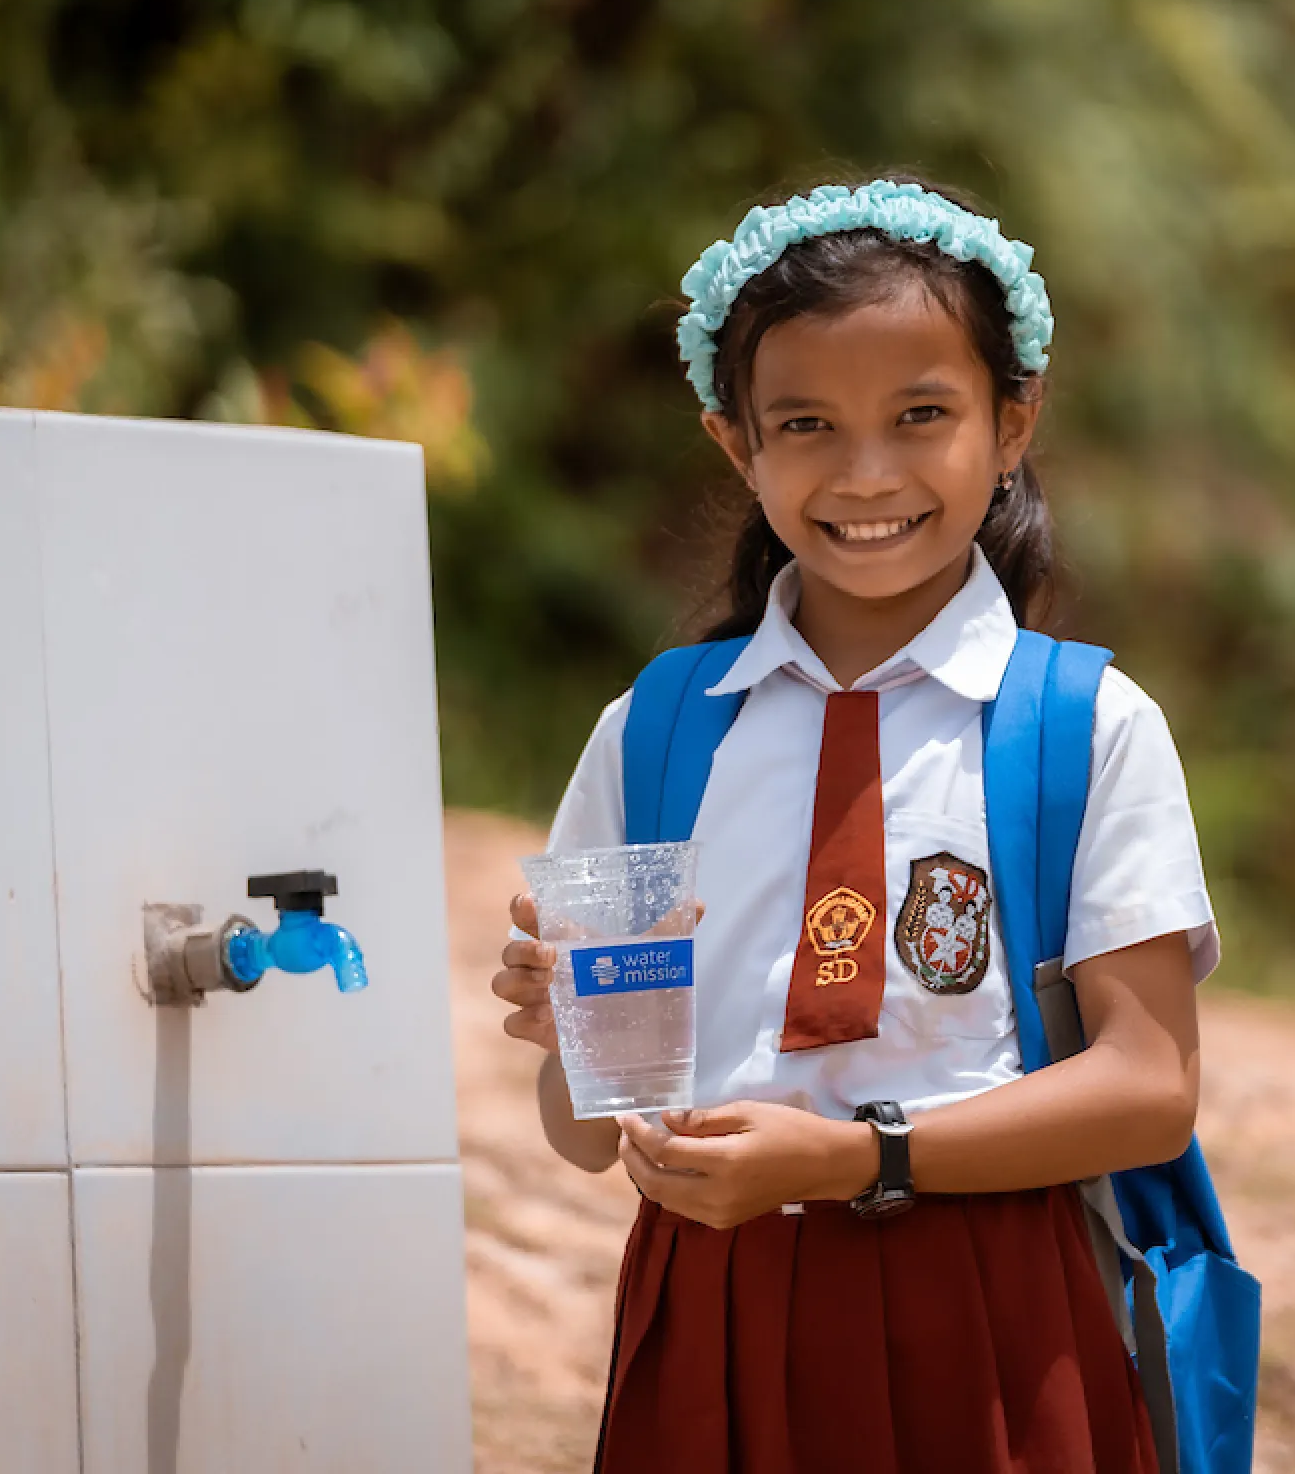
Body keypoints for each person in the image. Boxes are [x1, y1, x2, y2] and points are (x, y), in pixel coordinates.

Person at [490, 176, 1220, 1474]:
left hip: (996, 1315)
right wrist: (577, 1031)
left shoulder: (1082, 729)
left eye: (922, 415)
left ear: (1012, 422)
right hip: (712, 1311)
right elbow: (592, 1131)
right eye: (808, 423)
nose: (866, 472)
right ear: (736, 443)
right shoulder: (658, 732)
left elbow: (1149, 1089)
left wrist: (852, 1163)